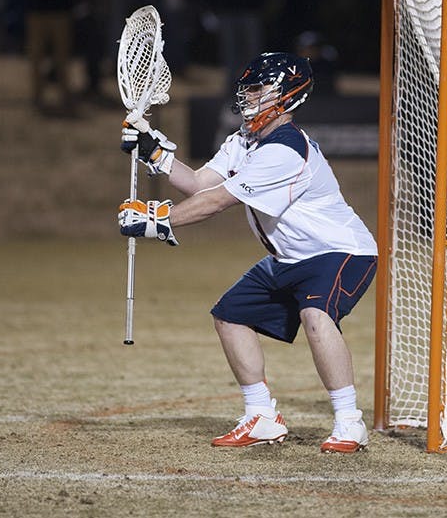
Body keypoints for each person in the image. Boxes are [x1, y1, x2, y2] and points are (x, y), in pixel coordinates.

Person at [117, 52, 378, 453]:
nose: (249, 97)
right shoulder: (244, 141)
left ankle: (349, 422)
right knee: (231, 315)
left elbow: (217, 201)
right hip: (290, 257)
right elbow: (200, 182)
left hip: (339, 251)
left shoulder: (286, 149)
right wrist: (155, 154)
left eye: (259, 90)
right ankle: (261, 418)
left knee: (316, 314)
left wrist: (157, 219)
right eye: (248, 90)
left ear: (288, 95)